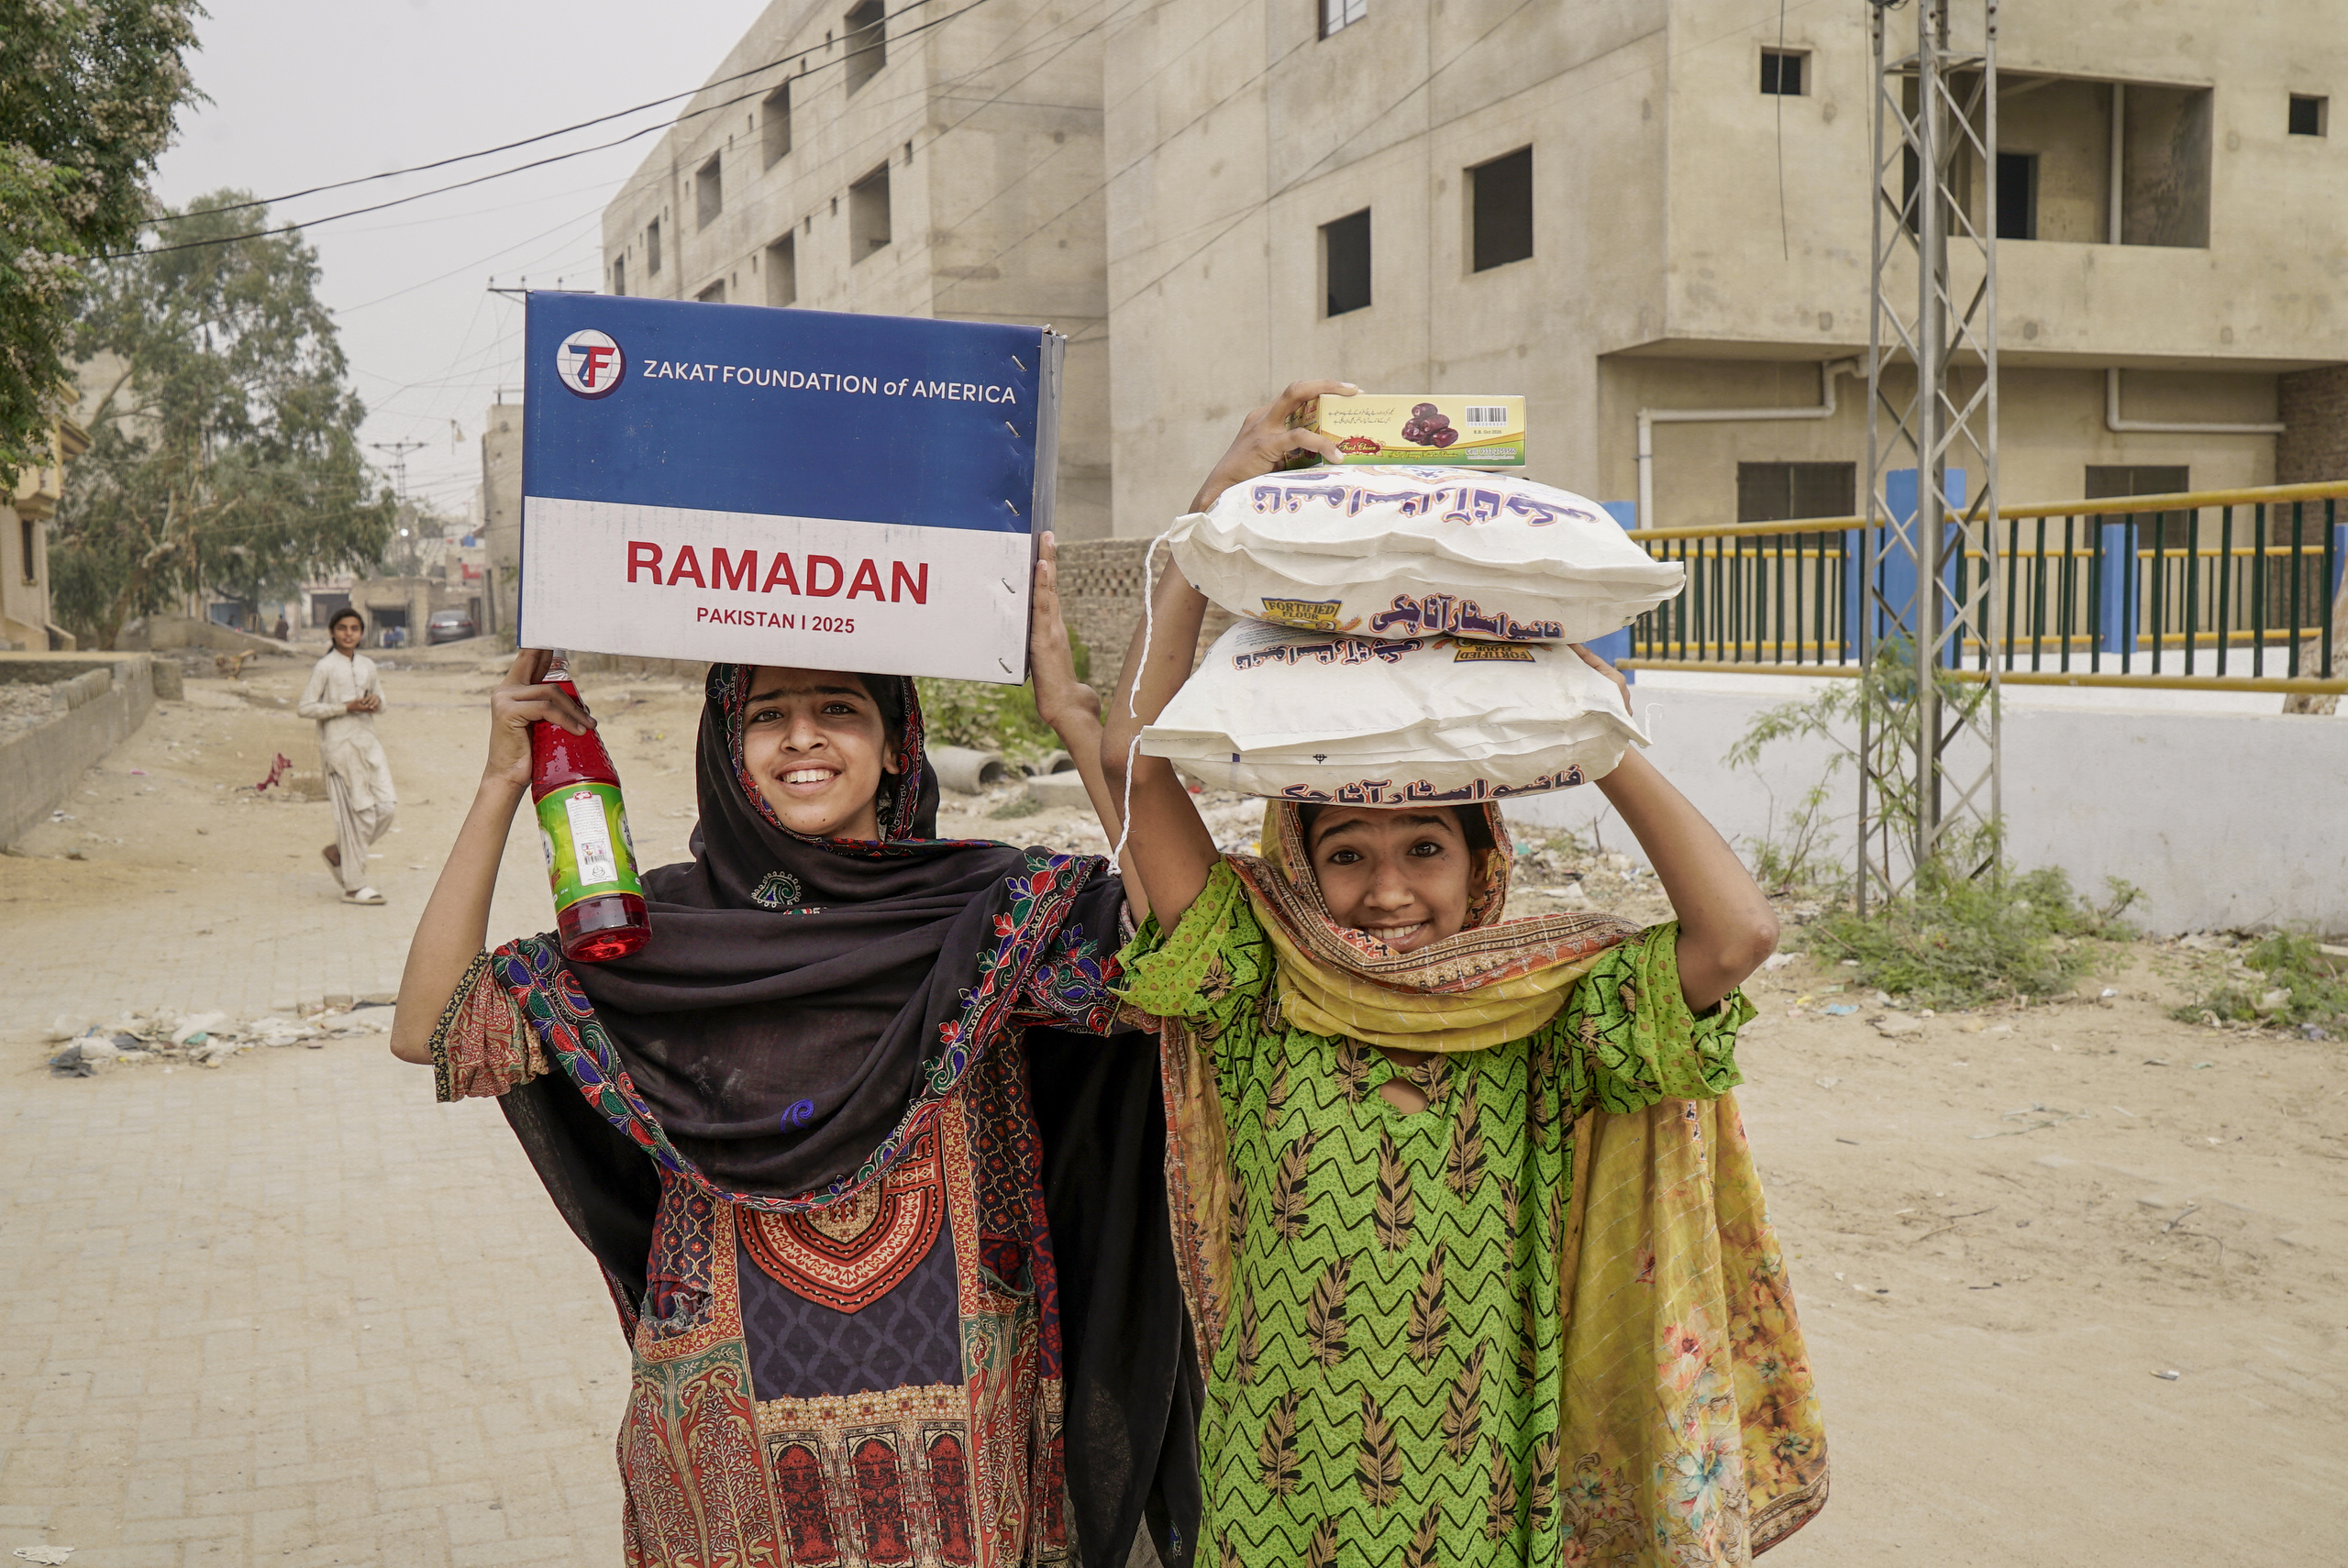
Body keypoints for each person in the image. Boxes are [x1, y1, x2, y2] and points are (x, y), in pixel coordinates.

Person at [1099, 384, 1828, 1568]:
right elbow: (1130, 758)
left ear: (1487, 857)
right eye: (1347, 854)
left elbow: (1738, 933)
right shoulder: (1254, 977)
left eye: (1426, 848)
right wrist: (1204, 523)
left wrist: (1594, 724)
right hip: (1275, 1495)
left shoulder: (1547, 1007)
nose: (1387, 889)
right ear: (1298, 855)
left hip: (1486, 1487)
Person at [388, 537, 1194, 1568]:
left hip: (964, 1446)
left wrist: (1079, 725)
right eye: (766, 715)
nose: (800, 739)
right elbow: (432, 1029)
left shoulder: (989, 912)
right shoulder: (648, 939)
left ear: (898, 743)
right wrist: (505, 780)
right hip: (733, 1463)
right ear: (729, 748)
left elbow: (1178, 953)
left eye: (837, 709)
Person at [298, 606, 396, 906]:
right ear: (332, 632)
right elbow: (305, 707)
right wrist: (344, 707)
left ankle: (339, 853)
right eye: (342, 628)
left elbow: (381, 703)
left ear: (361, 633)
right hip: (339, 748)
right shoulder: (325, 666)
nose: (348, 633)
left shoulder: (367, 665)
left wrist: (374, 701)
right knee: (359, 815)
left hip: (368, 744)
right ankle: (354, 886)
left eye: (354, 628)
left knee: (386, 807)